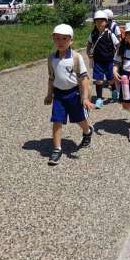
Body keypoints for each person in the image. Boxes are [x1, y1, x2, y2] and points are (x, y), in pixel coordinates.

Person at [45, 24, 94, 166]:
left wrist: (85, 98)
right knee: (57, 121)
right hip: (59, 95)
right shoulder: (52, 58)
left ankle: (87, 131)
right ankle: (57, 149)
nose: (60, 42)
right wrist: (49, 94)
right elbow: (51, 78)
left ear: (71, 40)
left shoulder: (76, 57)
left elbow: (84, 78)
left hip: (74, 94)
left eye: (64, 39)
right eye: (57, 38)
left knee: (79, 119)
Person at [87, 11, 119, 109]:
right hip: (98, 61)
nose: (99, 23)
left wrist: (117, 57)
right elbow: (89, 44)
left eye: (102, 21)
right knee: (98, 81)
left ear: (106, 22)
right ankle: (99, 99)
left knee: (111, 80)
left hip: (109, 61)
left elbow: (118, 45)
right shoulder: (93, 34)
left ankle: (114, 90)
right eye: (97, 21)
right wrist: (88, 53)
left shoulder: (110, 34)